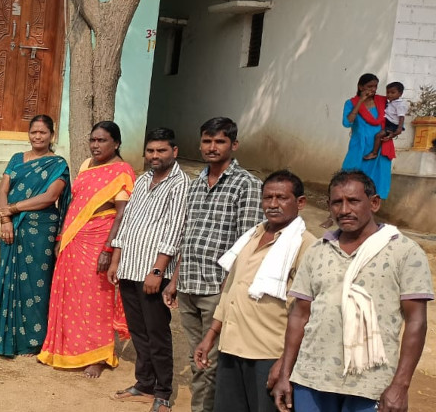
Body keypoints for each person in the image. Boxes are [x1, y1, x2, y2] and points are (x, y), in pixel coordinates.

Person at [272, 171, 433, 412]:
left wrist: (400, 385)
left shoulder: (404, 251)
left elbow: (416, 322)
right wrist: (285, 374)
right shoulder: (318, 250)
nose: (344, 210)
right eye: (337, 202)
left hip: (371, 384)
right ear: (329, 206)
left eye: (353, 201)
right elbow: (299, 315)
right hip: (311, 378)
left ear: (374, 203)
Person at [191, 170, 316, 412]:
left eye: (282, 198)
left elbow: (306, 311)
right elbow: (231, 289)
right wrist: (211, 335)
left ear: (300, 202)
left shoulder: (305, 245)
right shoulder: (252, 235)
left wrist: (284, 364)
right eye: (268, 198)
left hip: (268, 354)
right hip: (231, 347)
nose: (273, 204)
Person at [165, 117, 264, 412]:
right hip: (189, 284)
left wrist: (228, 290)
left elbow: (248, 243)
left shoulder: (247, 185)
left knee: (212, 360)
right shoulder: (196, 183)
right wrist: (174, 280)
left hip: (217, 288)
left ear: (234, 145)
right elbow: (187, 235)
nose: (212, 147)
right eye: (207, 141)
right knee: (196, 359)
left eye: (219, 141)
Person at [37, 121, 135, 378]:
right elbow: (75, 203)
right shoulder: (85, 166)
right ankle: (68, 347)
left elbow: (122, 214)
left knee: (96, 298)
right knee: (70, 295)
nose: (95, 145)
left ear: (116, 143)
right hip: (74, 238)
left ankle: (98, 356)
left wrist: (108, 249)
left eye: (102, 140)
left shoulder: (122, 171)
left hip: (100, 239)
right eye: (93, 140)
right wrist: (61, 236)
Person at [107, 128, 190, 412]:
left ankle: (163, 392)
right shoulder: (143, 179)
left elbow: (175, 230)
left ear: (174, 152)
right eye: (151, 150)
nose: (155, 155)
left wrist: (157, 271)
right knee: (138, 331)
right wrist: (116, 260)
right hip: (129, 266)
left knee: (157, 333)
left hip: (152, 272)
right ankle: (144, 384)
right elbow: (127, 221)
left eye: (161, 150)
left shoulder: (180, 184)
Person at [0, 115, 71, 357]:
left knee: (35, 284)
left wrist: (12, 209)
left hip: (40, 231)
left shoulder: (57, 164)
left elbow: (49, 197)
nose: (37, 137)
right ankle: (3, 335)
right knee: (7, 277)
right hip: (12, 228)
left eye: (43, 132)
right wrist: (5, 220)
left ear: (52, 135)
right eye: (34, 132)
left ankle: (33, 340)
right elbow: (3, 190)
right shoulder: (16, 159)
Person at [340, 73, 393, 199]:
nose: (373, 89)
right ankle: (346, 202)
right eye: (370, 86)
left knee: (378, 177)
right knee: (351, 174)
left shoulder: (382, 101)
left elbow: (395, 117)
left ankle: (371, 206)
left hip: (379, 146)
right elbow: (347, 122)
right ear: (360, 87)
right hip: (360, 145)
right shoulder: (351, 103)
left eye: (375, 86)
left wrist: (392, 132)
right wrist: (360, 102)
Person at [365, 81, 408, 161]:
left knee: (378, 136)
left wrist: (399, 128)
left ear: (400, 94)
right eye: (388, 92)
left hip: (393, 125)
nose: (389, 95)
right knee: (382, 136)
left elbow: (401, 117)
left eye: (393, 92)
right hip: (389, 124)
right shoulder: (392, 102)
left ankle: (374, 153)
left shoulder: (400, 105)